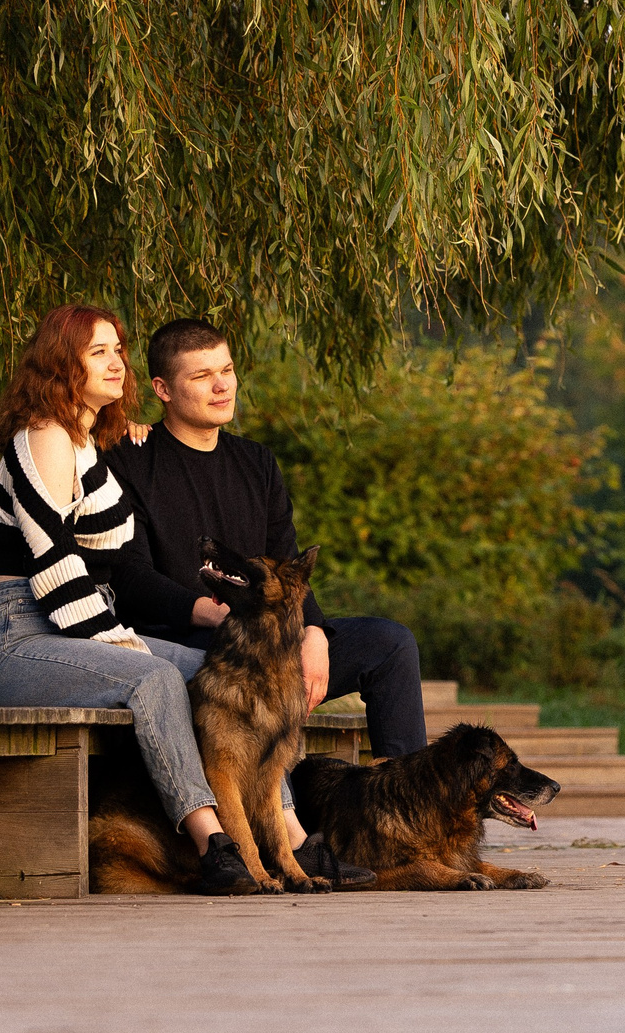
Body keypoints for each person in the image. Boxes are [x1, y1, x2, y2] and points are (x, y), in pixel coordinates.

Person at [0, 304, 365, 894]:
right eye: (98, 352)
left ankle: (288, 836)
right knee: (154, 679)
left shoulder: (87, 442)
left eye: (118, 349)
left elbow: (110, 551)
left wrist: (131, 432)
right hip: (24, 636)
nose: (117, 362)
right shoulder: (44, 437)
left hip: (75, 629)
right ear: (62, 365)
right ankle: (214, 844)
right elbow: (54, 564)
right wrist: (117, 640)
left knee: (224, 673)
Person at [106, 317, 431, 760]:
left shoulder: (256, 461)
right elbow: (131, 577)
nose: (222, 386)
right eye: (202, 376)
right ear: (163, 390)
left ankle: (403, 813)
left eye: (227, 370)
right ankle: (282, 817)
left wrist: (313, 630)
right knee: (251, 660)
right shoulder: (130, 458)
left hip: (268, 635)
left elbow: (287, 560)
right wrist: (216, 615)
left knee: (389, 644)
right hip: (186, 648)